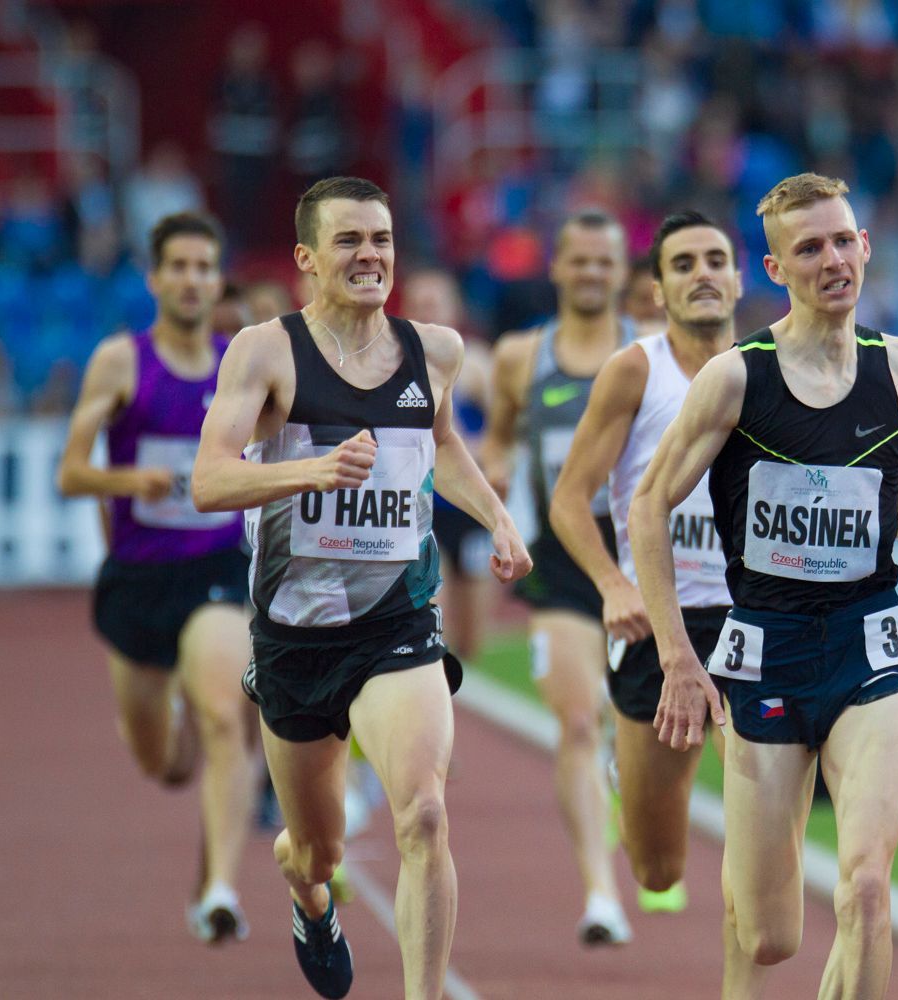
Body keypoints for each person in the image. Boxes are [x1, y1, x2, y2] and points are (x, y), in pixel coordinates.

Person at [628, 173, 898, 998]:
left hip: (869, 643)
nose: (832, 260)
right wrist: (678, 659)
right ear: (775, 269)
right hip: (765, 650)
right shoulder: (736, 379)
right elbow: (648, 505)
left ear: (866, 247)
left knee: (867, 887)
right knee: (770, 937)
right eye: (810, 248)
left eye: (844, 241)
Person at [193, 176, 530, 1000]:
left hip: (397, 620)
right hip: (294, 632)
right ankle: (310, 900)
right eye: (349, 240)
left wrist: (496, 515)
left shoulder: (434, 351)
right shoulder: (265, 351)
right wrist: (314, 470)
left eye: (381, 239)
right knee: (317, 851)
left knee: (422, 813)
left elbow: (439, 443)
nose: (370, 255)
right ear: (307, 258)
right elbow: (206, 481)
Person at [55, 211, 259, 944]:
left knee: (227, 717)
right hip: (139, 581)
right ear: (155, 278)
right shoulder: (120, 361)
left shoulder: (242, 361)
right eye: (179, 266)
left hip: (216, 571)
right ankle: (167, 729)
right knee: (165, 764)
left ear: (217, 279)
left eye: (206, 267)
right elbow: (70, 472)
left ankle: (220, 889)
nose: (193, 280)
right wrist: (126, 477)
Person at [549, 211, 739, 918]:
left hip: (753, 618)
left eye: (716, 259)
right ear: (657, 289)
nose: (703, 274)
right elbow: (569, 500)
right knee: (657, 868)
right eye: (683, 264)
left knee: (757, 827)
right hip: (659, 622)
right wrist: (613, 585)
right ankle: (630, 782)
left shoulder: (769, 368)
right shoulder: (635, 371)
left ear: (741, 276)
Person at [483, 209, 636, 945]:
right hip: (564, 566)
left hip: (643, 563)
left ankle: (628, 784)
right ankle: (600, 893)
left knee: (631, 729)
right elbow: (501, 429)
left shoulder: (650, 355)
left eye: (605, 263)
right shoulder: (522, 356)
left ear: (623, 272)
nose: (592, 275)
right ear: (557, 268)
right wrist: (502, 460)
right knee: (577, 721)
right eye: (579, 261)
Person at [401, 266, 496, 663]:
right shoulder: (393, 363)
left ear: (453, 308)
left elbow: (503, 437)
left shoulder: (474, 362)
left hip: (466, 509)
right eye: (418, 304)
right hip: (420, 511)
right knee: (427, 621)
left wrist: (464, 446)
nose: (426, 311)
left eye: (434, 302)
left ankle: (458, 694)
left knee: (472, 638)